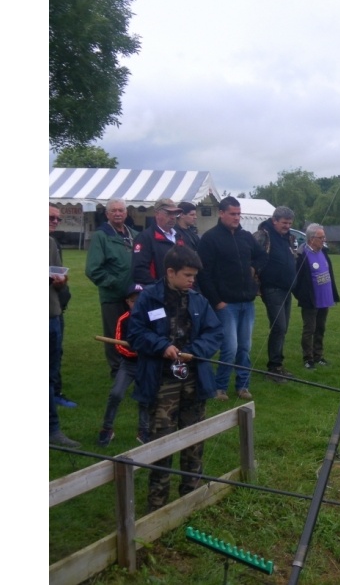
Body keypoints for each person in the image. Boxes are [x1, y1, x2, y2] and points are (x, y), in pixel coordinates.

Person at [128, 245, 222, 512]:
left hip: (194, 381)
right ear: (170, 272)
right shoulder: (148, 299)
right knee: (162, 445)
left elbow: (214, 333)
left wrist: (195, 351)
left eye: (194, 276)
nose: (193, 280)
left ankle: (190, 500)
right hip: (161, 384)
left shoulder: (198, 300)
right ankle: (157, 507)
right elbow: (135, 333)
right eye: (188, 275)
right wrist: (161, 346)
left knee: (194, 441)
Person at [197, 196, 267, 400]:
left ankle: (243, 386)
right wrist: (216, 301)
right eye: (233, 214)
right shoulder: (210, 239)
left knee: (245, 347)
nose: (237, 217)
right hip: (226, 304)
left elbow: (262, 256)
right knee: (230, 347)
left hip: (247, 301)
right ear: (221, 213)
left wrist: (254, 268)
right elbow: (203, 273)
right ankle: (220, 387)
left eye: (239, 213)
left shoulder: (246, 236)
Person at [86, 199, 136, 379]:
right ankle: (117, 370)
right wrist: (114, 282)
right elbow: (93, 269)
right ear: (107, 214)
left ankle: (132, 365)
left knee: (132, 331)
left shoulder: (133, 234)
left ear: (126, 213)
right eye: (113, 210)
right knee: (114, 334)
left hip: (133, 297)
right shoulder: (102, 235)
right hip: (113, 296)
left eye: (121, 210)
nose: (117, 213)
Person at [97, 284, 151, 446]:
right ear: (128, 302)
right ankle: (107, 428)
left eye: (141, 300)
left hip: (146, 365)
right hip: (128, 365)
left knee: (145, 398)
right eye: (134, 301)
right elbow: (120, 346)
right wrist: (136, 353)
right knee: (116, 394)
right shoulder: (124, 319)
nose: (137, 303)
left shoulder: (152, 318)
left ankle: (144, 430)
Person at [254, 206, 298, 382]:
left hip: (286, 289)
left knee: (284, 327)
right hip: (272, 288)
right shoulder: (264, 236)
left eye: (289, 223)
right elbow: (252, 256)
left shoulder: (286, 238)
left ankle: (278, 364)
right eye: (284, 223)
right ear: (274, 221)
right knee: (279, 327)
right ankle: (273, 368)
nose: (287, 226)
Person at [49, 205, 80, 447]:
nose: (55, 221)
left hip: (52, 314)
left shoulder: (50, 243)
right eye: (51, 217)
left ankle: (52, 430)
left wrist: (60, 281)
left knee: (49, 374)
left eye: (58, 218)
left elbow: (60, 282)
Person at [293, 224, 340, 368]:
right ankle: (308, 358)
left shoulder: (323, 252)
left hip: (325, 298)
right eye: (321, 237)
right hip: (310, 300)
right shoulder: (301, 255)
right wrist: (303, 296)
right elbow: (296, 281)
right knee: (309, 329)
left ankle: (318, 355)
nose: (323, 240)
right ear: (312, 239)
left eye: (324, 237)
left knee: (320, 328)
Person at [132, 198, 185, 285]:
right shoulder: (145, 237)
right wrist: (159, 289)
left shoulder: (179, 236)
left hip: (178, 291)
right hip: (157, 293)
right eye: (168, 213)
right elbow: (139, 271)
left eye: (175, 213)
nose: (172, 217)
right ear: (157, 214)